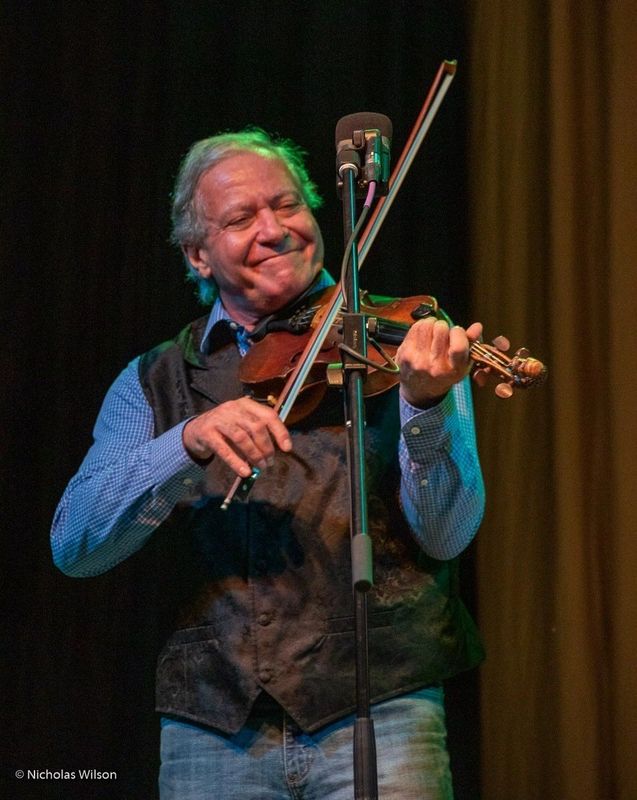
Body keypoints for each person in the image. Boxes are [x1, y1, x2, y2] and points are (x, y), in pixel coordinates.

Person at [51, 128, 485, 800]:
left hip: (381, 708)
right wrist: (186, 441)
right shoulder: (152, 381)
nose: (274, 230)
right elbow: (75, 545)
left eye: (286, 205)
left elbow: (447, 533)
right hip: (212, 727)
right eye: (240, 218)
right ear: (198, 255)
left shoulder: (405, 344)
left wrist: (424, 410)